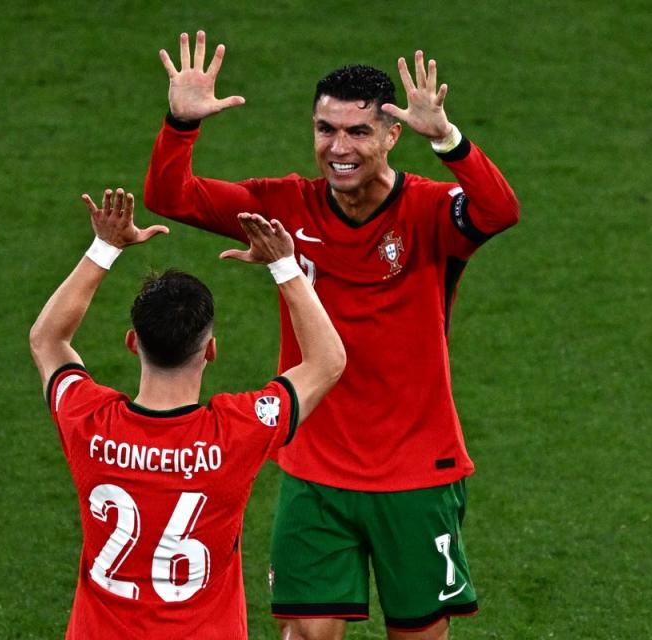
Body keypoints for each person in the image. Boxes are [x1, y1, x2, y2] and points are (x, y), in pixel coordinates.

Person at [144, 31, 520, 640]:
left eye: (357, 132)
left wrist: (449, 141)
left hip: (417, 470)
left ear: (392, 134)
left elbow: (500, 211)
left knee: (420, 634)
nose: (338, 148)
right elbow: (168, 195)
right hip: (314, 466)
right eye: (326, 130)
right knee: (305, 634)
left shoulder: (428, 212)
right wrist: (180, 124)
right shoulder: (285, 207)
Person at [29, 187, 345, 639]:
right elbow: (327, 361)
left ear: (132, 342)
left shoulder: (87, 420)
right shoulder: (238, 430)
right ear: (211, 350)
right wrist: (284, 264)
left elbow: (47, 340)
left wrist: (105, 247)